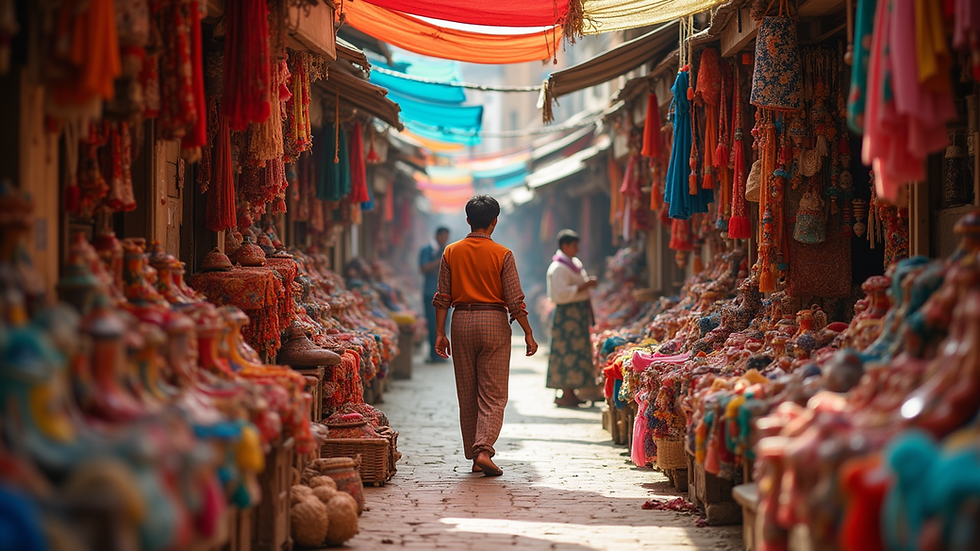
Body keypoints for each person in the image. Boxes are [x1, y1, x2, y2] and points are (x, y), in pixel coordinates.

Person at [432, 195, 538, 477]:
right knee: (493, 393)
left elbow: (442, 297)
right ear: (495, 221)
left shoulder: (451, 251)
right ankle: (483, 449)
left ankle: (475, 455)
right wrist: (528, 332)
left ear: (468, 220)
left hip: (461, 322)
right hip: (493, 322)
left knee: (467, 392)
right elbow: (515, 300)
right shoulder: (503, 254)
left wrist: (440, 333)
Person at [546, 229, 598, 408]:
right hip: (568, 315)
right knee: (566, 351)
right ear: (565, 246)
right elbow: (560, 294)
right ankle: (566, 392)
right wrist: (585, 285)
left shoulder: (574, 263)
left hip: (577, 314)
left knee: (576, 351)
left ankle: (571, 392)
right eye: (574, 245)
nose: (577, 249)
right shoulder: (558, 268)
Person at [419, 227, 450, 363]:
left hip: (445, 295)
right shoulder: (428, 250)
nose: (445, 239)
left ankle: (441, 353)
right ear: (438, 236)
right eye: (443, 236)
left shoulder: (448, 250)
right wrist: (440, 261)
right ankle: (433, 353)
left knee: (443, 325)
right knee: (432, 324)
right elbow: (424, 268)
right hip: (430, 293)